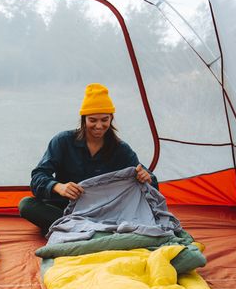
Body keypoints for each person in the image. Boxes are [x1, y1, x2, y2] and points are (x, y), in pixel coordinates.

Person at [18, 83, 158, 236]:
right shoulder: (62, 141)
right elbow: (38, 177)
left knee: (141, 213)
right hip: (64, 208)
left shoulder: (120, 149)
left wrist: (147, 178)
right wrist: (59, 187)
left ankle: (77, 229)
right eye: (93, 120)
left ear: (111, 118)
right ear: (83, 119)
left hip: (103, 211)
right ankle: (91, 230)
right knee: (26, 205)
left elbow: (150, 182)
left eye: (104, 119)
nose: (99, 126)